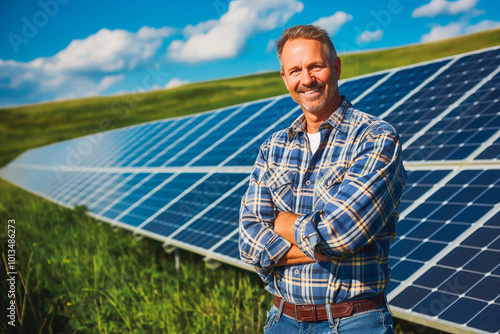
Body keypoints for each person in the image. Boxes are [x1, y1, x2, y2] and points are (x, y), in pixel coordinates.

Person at [239, 25, 407, 333]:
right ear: (284, 79)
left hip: (356, 322)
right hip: (281, 321)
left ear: (336, 67)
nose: (306, 79)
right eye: (295, 71)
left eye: (315, 66)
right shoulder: (274, 146)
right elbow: (248, 242)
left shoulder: (375, 138)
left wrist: (280, 223)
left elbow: (340, 234)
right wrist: (325, 244)